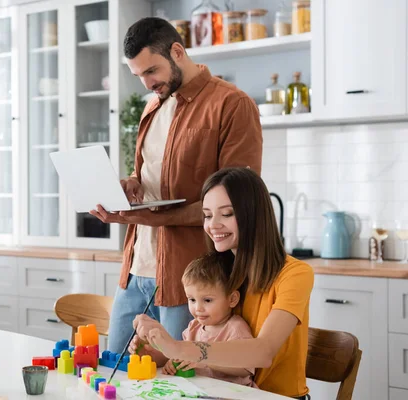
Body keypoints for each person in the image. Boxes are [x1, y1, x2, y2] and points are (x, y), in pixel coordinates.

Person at [90, 17, 262, 355]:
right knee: (117, 374)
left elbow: (237, 205)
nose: (146, 83)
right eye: (138, 75)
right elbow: (153, 176)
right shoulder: (153, 107)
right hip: (137, 267)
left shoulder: (231, 104)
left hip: (192, 278)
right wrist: (132, 184)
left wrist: (147, 218)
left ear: (178, 51)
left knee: (178, 381)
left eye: (151, 71)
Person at [130, 167, 315, 400]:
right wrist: (157, 350)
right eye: (207, 215)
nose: (213, 225)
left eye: (226, 214)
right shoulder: (220, 272)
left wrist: (178, 348)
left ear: (253, 215)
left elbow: (263, 351)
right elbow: (204, 352)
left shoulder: (295, 274)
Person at [141, 252, 258, 388]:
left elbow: (245, 368)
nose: (198, 308)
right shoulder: (193, 326)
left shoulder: (236, 329)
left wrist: (204, 360)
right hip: (200, 391)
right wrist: (173, 362)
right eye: (192, 300)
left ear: (232, 299)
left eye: (207, 300)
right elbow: (183, 355)